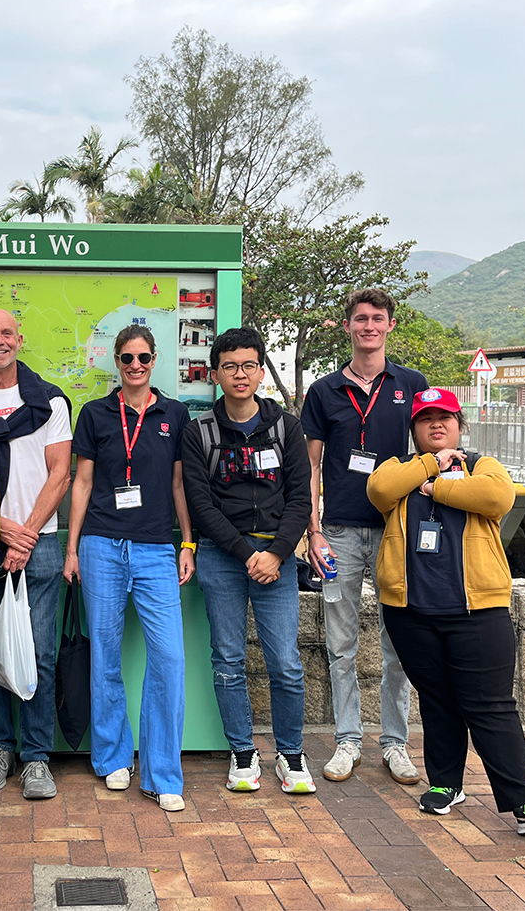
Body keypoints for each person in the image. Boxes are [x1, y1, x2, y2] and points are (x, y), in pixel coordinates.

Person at [367, 389, 525, 834]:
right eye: (426, 419)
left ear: (460, 425)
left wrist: (436, 487)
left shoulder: (482, 466)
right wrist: (429, 465)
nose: (436, 425)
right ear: (414, 429)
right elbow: (379, 490)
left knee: (490, 705)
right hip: (410, 610)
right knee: (437, 699)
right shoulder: (400, 469)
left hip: (478, 610)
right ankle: (445, 783)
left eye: (445, 418)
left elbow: (497, 498)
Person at [63, 325, 194, 812]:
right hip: (101, 545)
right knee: (105, 656)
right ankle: (112, 756)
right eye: (126, 358)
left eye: (142, 357)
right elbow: (82, 483)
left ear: (154, 360)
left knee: (169, 658)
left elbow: (179, 484)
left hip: (156, 549)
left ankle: (162, 773)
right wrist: (73, 549)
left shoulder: (174, 415)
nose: (135, 365)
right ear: (116, 362)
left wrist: (187, 542)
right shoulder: (95, 413)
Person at [300, 287, 428, 786]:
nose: (369, 326)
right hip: (338, 534)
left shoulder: (411, 385)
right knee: (341, 644)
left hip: (396, 531)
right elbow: (311, 466)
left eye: (377, 318)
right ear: (348, 326)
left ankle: (395, 743)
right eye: (360, 319)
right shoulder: (324, 391)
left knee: (401, 642)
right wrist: (313, 531)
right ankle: (348, 740)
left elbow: (430, 450)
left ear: (390, 325)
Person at [181, 328, 315, 795]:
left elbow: (301, 497)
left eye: (249, 366)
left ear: (260, 372)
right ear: (215, 374)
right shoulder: (199, 432)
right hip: (223, 557)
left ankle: (291, 753)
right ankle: (242, 751)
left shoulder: (286, 427)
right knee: (228, 659)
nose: (240, 374)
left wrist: (275, 554)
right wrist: (247, 554)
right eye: (230, 366)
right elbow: (200, 505)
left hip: (277, 559)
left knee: (286, 662)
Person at [0, 310, 72, 800]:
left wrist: (25, 536)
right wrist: (2, 533)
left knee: (40, 653)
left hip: (40, 544)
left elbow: (60, 474)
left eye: (6, 333)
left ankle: (36, 757)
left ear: (19, 340)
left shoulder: (49, 400)